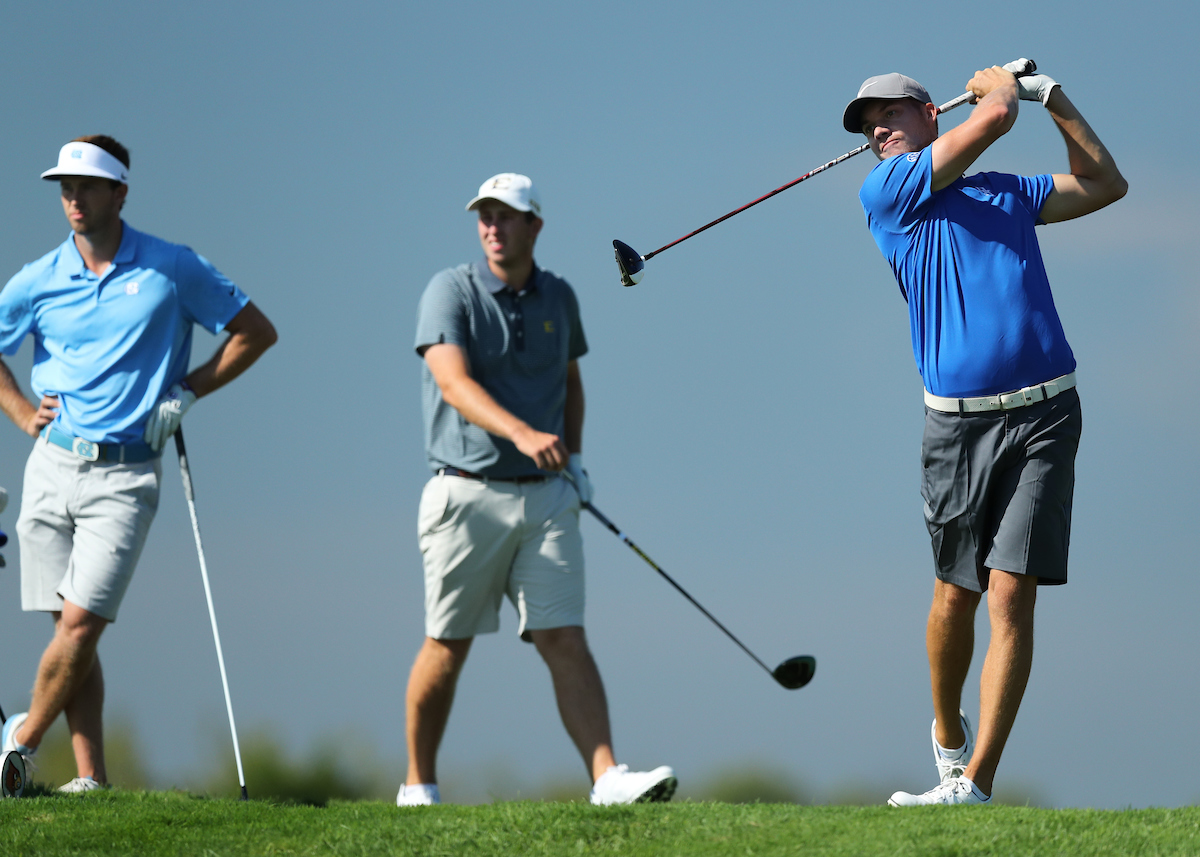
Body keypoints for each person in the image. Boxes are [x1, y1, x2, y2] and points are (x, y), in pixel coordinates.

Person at [842, 67, 1126, 805]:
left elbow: (1104, 184)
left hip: (1046, 415)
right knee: (954, 596)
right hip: (956, 428)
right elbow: (996, 114)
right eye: (867, 124)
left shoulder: (1005, 190)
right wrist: (1003, 88)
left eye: (889, 113)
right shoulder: (889, 195)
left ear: (930, 112)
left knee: (1012, 595)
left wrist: (1056, 96)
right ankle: (946, 730)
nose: (876, 129)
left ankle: (976, 782)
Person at [0, 136, 277, 792]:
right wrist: (17, 412)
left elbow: (255, 330)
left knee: (81, 622)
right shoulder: (39, 278)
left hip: (126, 474)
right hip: (51, 467)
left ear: (120, 191)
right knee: (74, 633)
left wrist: (189, 389)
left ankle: (15, 744)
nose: (73, 196)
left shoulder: (172, 267)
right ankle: (91, 778)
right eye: (65, 185)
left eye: (88, 185)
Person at [401, 173, 675, 807]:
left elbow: (570, 382)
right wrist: (524, 433)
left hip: (548, 496)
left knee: (564, 635)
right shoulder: (451, 291)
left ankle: (607, 777)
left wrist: (573, 460)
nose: (493, 227)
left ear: (535, 227)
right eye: (485, 217)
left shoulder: (559, 297)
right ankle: (418, 785)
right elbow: (451, 383)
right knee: (447, 644)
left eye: (507, 216)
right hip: (464, 494)